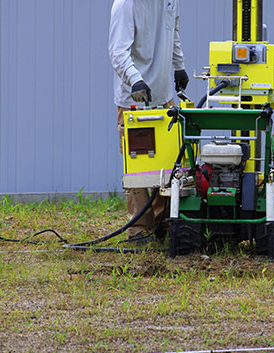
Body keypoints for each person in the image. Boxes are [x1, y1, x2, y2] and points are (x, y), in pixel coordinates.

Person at [109, 0, 189, 239]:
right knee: (138, 166)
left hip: (164, 95)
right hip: (134, 97)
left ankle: (162, 223)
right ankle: (140, 230)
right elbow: (117, 51)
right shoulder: (126, 4)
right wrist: (134, 79)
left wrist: (179, 66)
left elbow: (172, 32)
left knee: (167, 164)